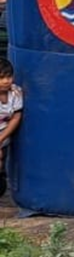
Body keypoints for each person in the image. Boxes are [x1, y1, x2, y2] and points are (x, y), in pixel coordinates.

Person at [0, 58, 22, 199]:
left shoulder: (15, 92)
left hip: (4, 133)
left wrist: (1, 139)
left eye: (8, 76)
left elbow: (16, 117)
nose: (6, 81)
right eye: (1, 78)